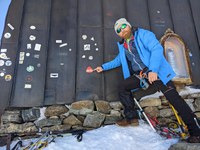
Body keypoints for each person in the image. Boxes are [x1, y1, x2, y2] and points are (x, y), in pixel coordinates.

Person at [94, 18, 200, 143]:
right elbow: (118, 60)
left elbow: (157, 49)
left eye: (123, 26)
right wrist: (102, 67)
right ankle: (131, 117)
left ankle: (196, 132)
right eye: (118, 30)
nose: (122, 30)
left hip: (157, 72)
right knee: (123, 86)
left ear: (128, 25)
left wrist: (153, 70)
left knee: (174, 99)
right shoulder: (123, 45)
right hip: (142, 75)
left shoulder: (143, 34)